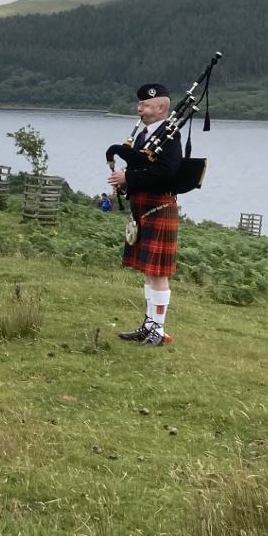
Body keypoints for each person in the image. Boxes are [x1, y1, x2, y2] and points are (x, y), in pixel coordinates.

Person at [107, 83, 182, 346]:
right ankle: (149, 326)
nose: (140, 109)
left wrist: (128, 176)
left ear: (161, 108)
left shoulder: (170, 135)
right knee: (150, 273)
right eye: (139, 105)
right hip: (143, 206)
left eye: (147, 105)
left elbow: (166, 172)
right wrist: (127, 181)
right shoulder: (145, 135)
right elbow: (142, 166)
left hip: (158, 206)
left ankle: (158, 331)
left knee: (158, 273)